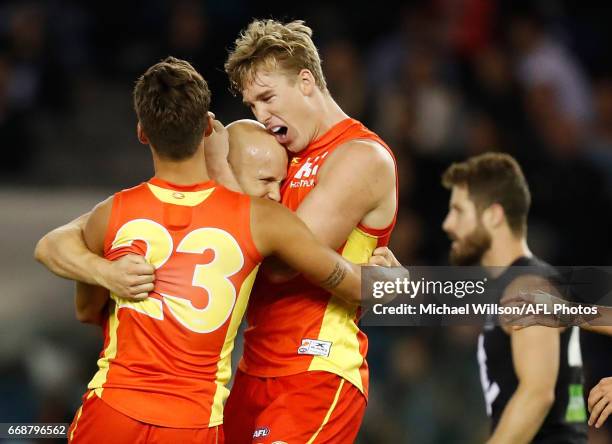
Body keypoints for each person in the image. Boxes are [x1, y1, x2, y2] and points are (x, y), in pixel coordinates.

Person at [34, 56, 395, 444]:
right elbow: (326, 276)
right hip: (198, 418)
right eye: (253, 104)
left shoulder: (114, 214)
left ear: (142, 132)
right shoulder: (259, 221)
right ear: (207, 127)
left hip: (114, 409)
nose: (277, 193)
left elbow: (71, 282)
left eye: (266, 98)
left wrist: (104, 273)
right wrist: (402, 287)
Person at [204, 19, 398, 443]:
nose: (262, 115)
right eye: (253, 105)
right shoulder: (281, 159)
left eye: (268, 98)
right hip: (254, 368)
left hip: (315, 371)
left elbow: (280, 263)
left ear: (306, 81)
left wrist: (221, 169)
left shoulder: (360, 156)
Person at [441, 152, 587, 443]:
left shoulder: (526, 287)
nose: (448, 224)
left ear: (494, 215)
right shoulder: (521, 283)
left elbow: (537, 395)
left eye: (458, 211)